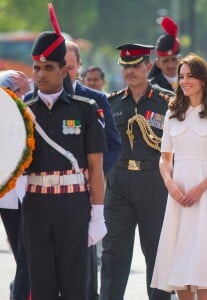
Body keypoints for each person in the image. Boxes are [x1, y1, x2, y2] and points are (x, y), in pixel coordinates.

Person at [22, 12, 107, 300]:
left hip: (74, 207)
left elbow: (95, 167)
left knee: (75, 287)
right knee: (42, 285)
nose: (40, 74)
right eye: (36, 68)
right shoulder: (23, 111)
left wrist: (97, 214)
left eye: (48, 67)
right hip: (36, 206)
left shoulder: (85, 109)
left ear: (64, 71)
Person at [151, 53, 207, 300]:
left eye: (190, 76)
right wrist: (170, 184)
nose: (184, 81)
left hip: (206, 196)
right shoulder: (172, 113)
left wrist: (200, 189)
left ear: (204, 80)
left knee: (204, 262)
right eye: (181, 76)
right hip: (177, 195)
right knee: (179, 261)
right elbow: (164, 158)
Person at [99, 43, 174, 300]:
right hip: (119, 183)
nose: (130, 71)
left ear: (148, 67)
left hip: (154, 181)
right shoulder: (112, 102)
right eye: (125, 66)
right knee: (113, 254)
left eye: (135, 66)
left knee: (157, 254)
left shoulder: (168, 103)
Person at [64, 40, 121, 300]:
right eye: (59, 67)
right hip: (46, 193)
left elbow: (113, 144)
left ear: (79, 68)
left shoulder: (95, 100)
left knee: (84, 263)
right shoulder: (35, 100)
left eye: (70, 67)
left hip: (84, 191)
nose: (65, 73)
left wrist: (94, 174)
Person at [0, 70, 31, 300]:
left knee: (26, 257)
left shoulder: (28, 112)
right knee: (25, 257)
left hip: (26, 195)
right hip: (11, 198)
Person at [148, 16, 181, 92]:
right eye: (165, 61)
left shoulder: (190, 83)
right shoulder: (151, 88)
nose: (171, 65)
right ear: (158, 63)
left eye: (174, 59)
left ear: (180, 60)